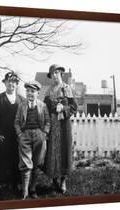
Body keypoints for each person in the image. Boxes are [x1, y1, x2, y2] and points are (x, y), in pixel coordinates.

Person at [43, 64, 78, 194]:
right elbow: (45, 108)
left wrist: (63, 108)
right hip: (52, 124)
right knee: (52, 150)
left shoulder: (67, 89)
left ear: (61, 74)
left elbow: (74, 107)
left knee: (64, 150)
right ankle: (54, 179)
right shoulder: (49, 90)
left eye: (57, 73)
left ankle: (63, 180)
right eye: (52, 74)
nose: (55, 76)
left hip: (64, 126)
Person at [14, 80, 50, 199]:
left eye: (32, 91)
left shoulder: (42, 106)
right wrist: (19, 134)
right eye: (28, 91)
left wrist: (44, 133)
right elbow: (17, 122)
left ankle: (33, 188)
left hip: (39, 135)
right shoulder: (22, 105)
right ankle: (25, 191)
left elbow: (48, 122)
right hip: (25, 135)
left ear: (38, 93)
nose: (30, 93)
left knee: (37, 162)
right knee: (25, 163)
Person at [0, 72, 25, 191]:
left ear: (17, 84)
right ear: (5, 83)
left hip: (17, 134)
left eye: (14, 82)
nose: (11, 84)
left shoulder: (21, 99)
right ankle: (4, 181)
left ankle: (16, 181)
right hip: (3, 135)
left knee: (17, 156)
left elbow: (25, 118)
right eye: (9, 81)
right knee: (3, 157)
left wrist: (22, 133)